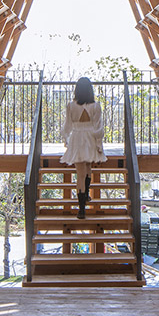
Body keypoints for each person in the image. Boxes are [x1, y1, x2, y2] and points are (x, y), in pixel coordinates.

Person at [59, 77, 106, 218]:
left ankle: (81, 209)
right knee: (88, 166)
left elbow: (67, 125)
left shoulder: (71, 105)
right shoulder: (96, 106)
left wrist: (66, 139)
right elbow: (99, 128)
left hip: (77, 137)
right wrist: (99, 144)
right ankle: (86, 196)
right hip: (90, 137)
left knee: (80, 172)